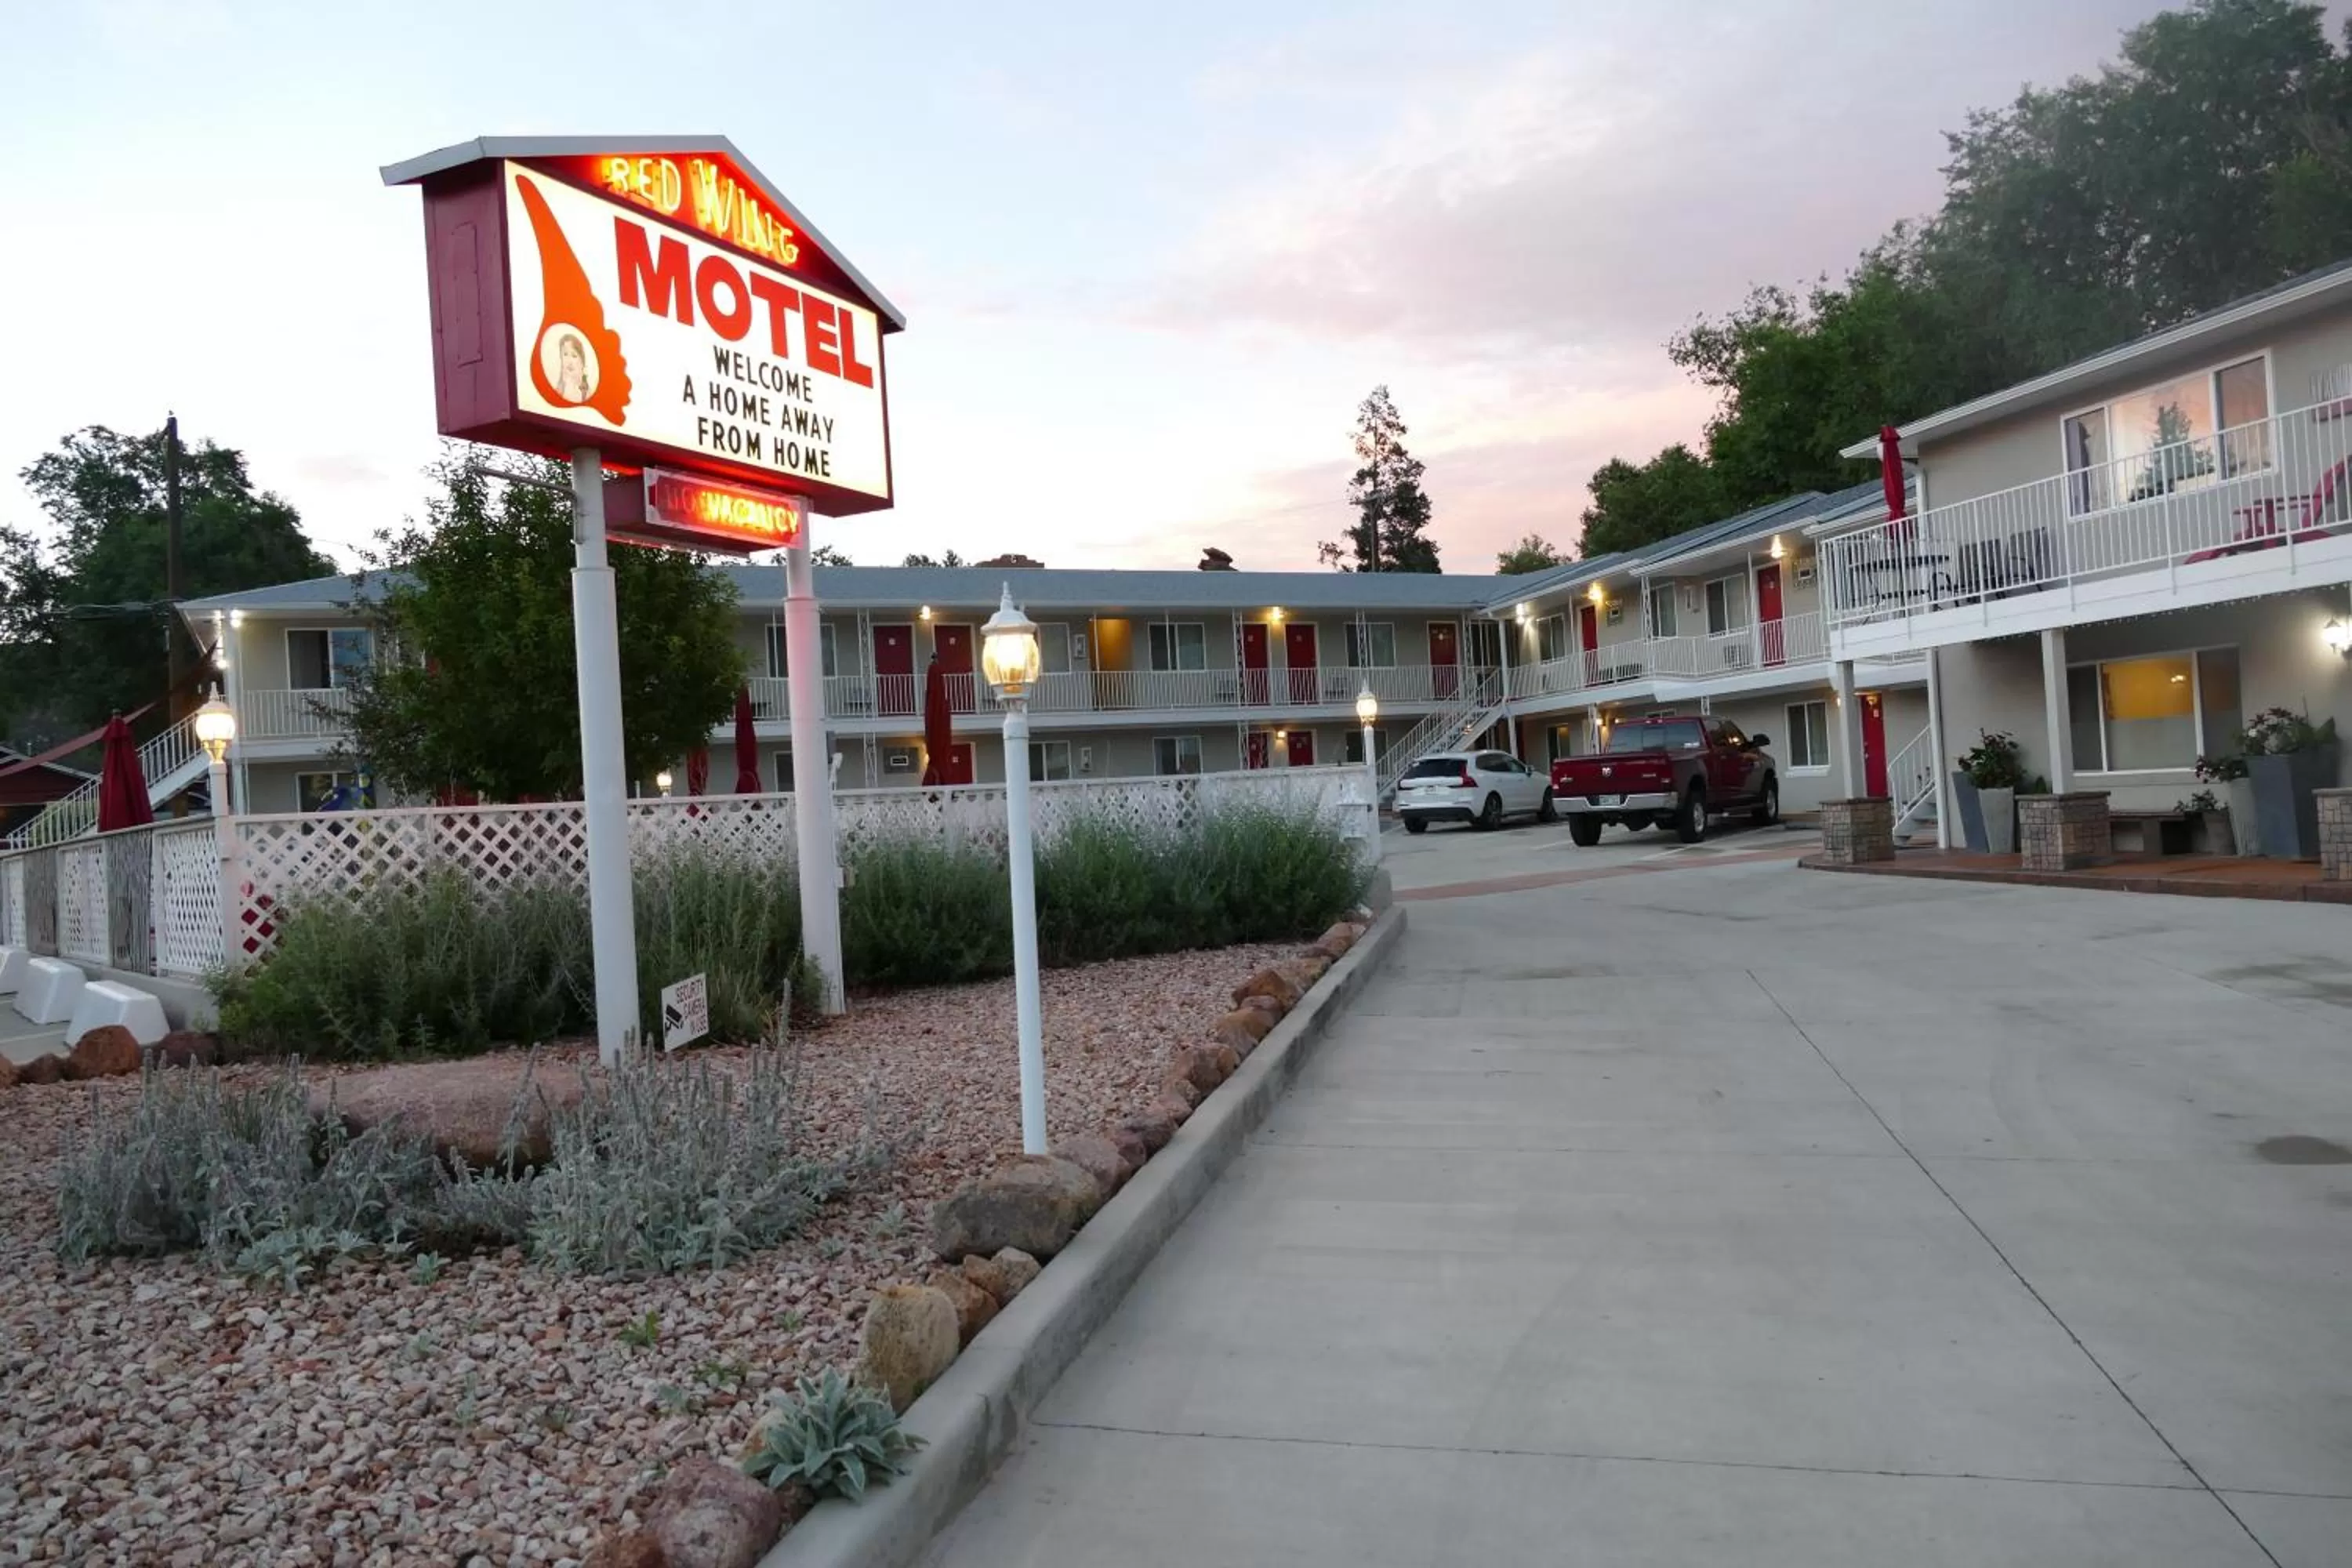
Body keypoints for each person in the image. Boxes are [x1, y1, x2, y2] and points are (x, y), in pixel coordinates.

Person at [554, 330, 592, 403]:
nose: (569, 361)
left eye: (574, 356)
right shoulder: (559, 389)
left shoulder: (585, 392)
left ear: (582, 362)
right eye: (565, 354)